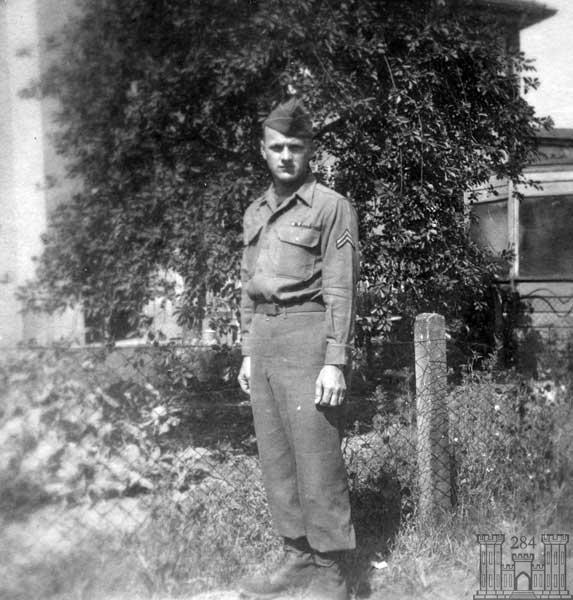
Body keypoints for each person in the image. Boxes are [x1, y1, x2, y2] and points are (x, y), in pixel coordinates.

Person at [237, 98, 359, 600]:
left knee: (316, 456)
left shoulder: (331, 206)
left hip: (308, 335)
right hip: (264, 340)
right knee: (277, 456)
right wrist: (248, 350)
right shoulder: (255, 211)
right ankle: (297, 556)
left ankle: (332, 569)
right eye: (277, 147)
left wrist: (335, 360)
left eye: (295, 147)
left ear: (310, 151)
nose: (286, 156)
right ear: (263, 151)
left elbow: (341, 288)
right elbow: (248, 284)